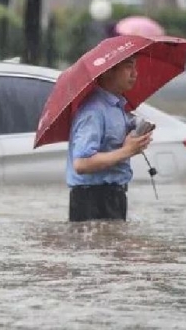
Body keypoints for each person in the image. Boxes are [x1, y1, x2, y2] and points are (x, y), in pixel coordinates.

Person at [66, 56, 153, 222]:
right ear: (107, 72)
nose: (135, 73)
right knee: (96, 247)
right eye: (128, 67)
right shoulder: (93, 112)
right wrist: (127, 151)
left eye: (135, 67)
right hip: (91, 198)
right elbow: (81, 164)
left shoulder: (117, 107)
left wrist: (135, 138)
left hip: (114, 195)